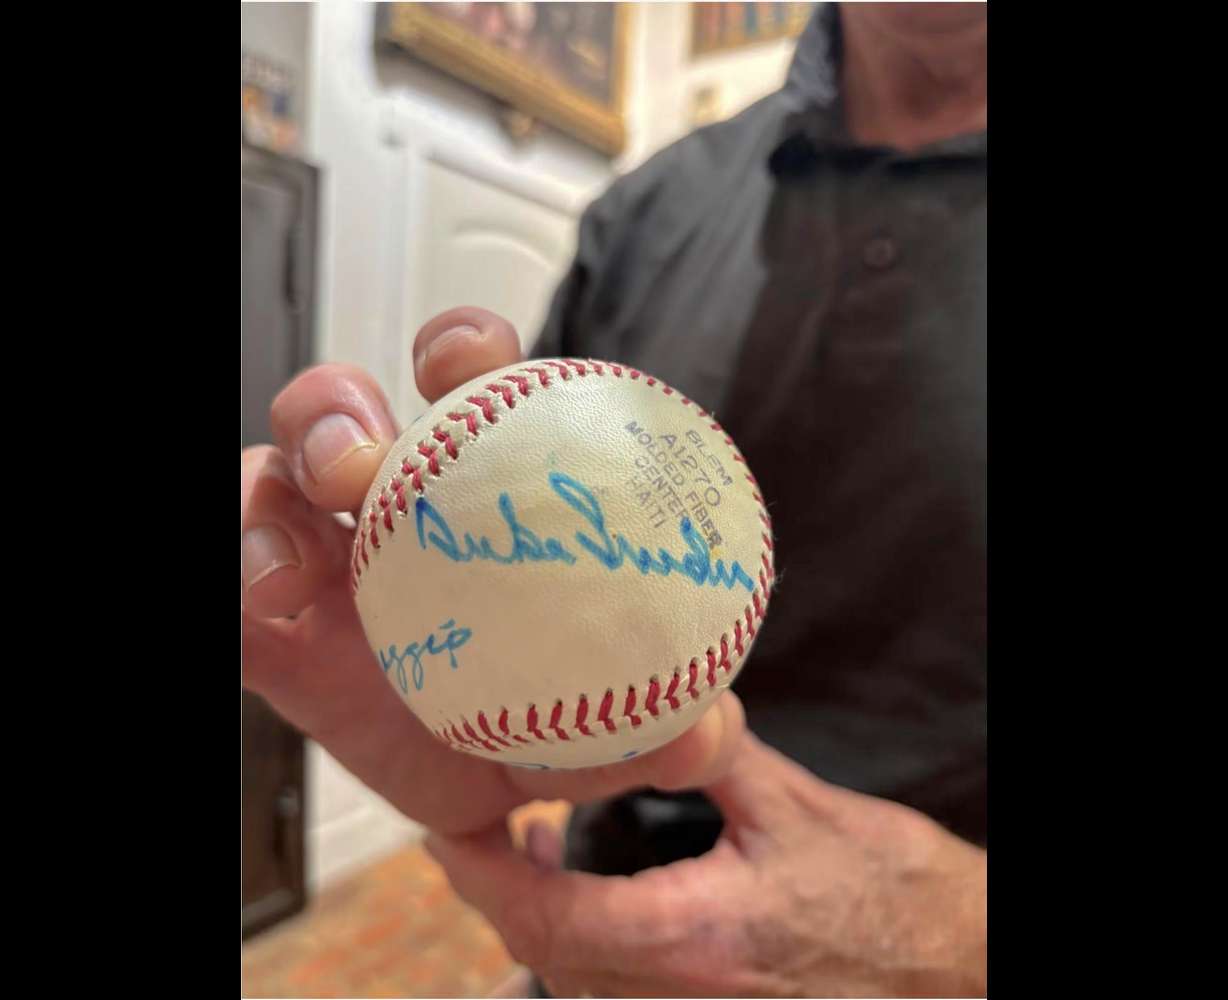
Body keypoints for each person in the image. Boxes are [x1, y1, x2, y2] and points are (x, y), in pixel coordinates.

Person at [240, 3, 987, 996]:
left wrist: (968, 937)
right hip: (597, 937)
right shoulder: (653, 207)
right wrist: (440, 665)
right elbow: (512, 549)